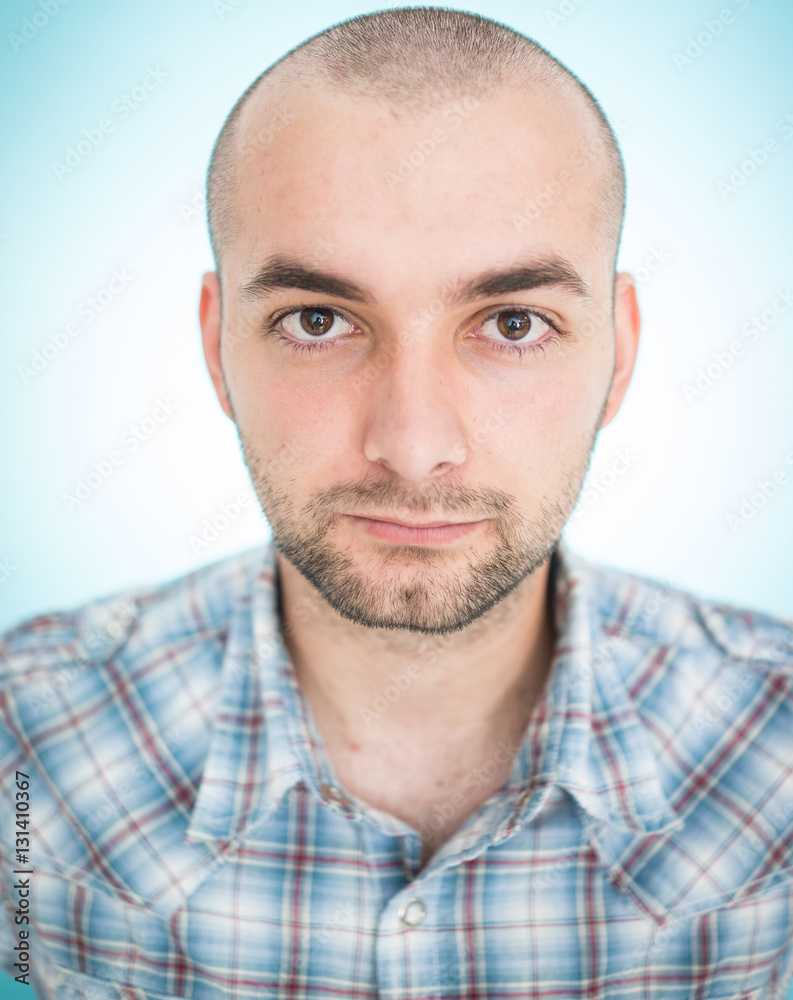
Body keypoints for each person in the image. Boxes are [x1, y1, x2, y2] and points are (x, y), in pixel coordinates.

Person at [2, 6, 793, 998]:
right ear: (216, 348)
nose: (414, 447)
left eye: (513, 324)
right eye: (316, 320)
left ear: (619, 353)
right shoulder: (25, 743)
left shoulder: (777, 752)